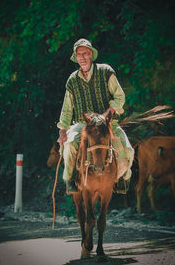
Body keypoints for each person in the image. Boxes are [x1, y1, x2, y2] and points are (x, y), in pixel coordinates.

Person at [57, 38, 134, 194]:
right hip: (82, 124)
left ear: (91, 54)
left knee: (128, 149)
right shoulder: (72, 80)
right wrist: (63, 131)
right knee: (70, 145)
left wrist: (107, 114)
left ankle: (123, 178)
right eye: (79, 54)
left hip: (107, 122)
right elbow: (66, 109)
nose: (83, 57)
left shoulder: (105, 71)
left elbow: (120, 97)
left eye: (85, 53)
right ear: (76, 57)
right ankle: (70, 179)